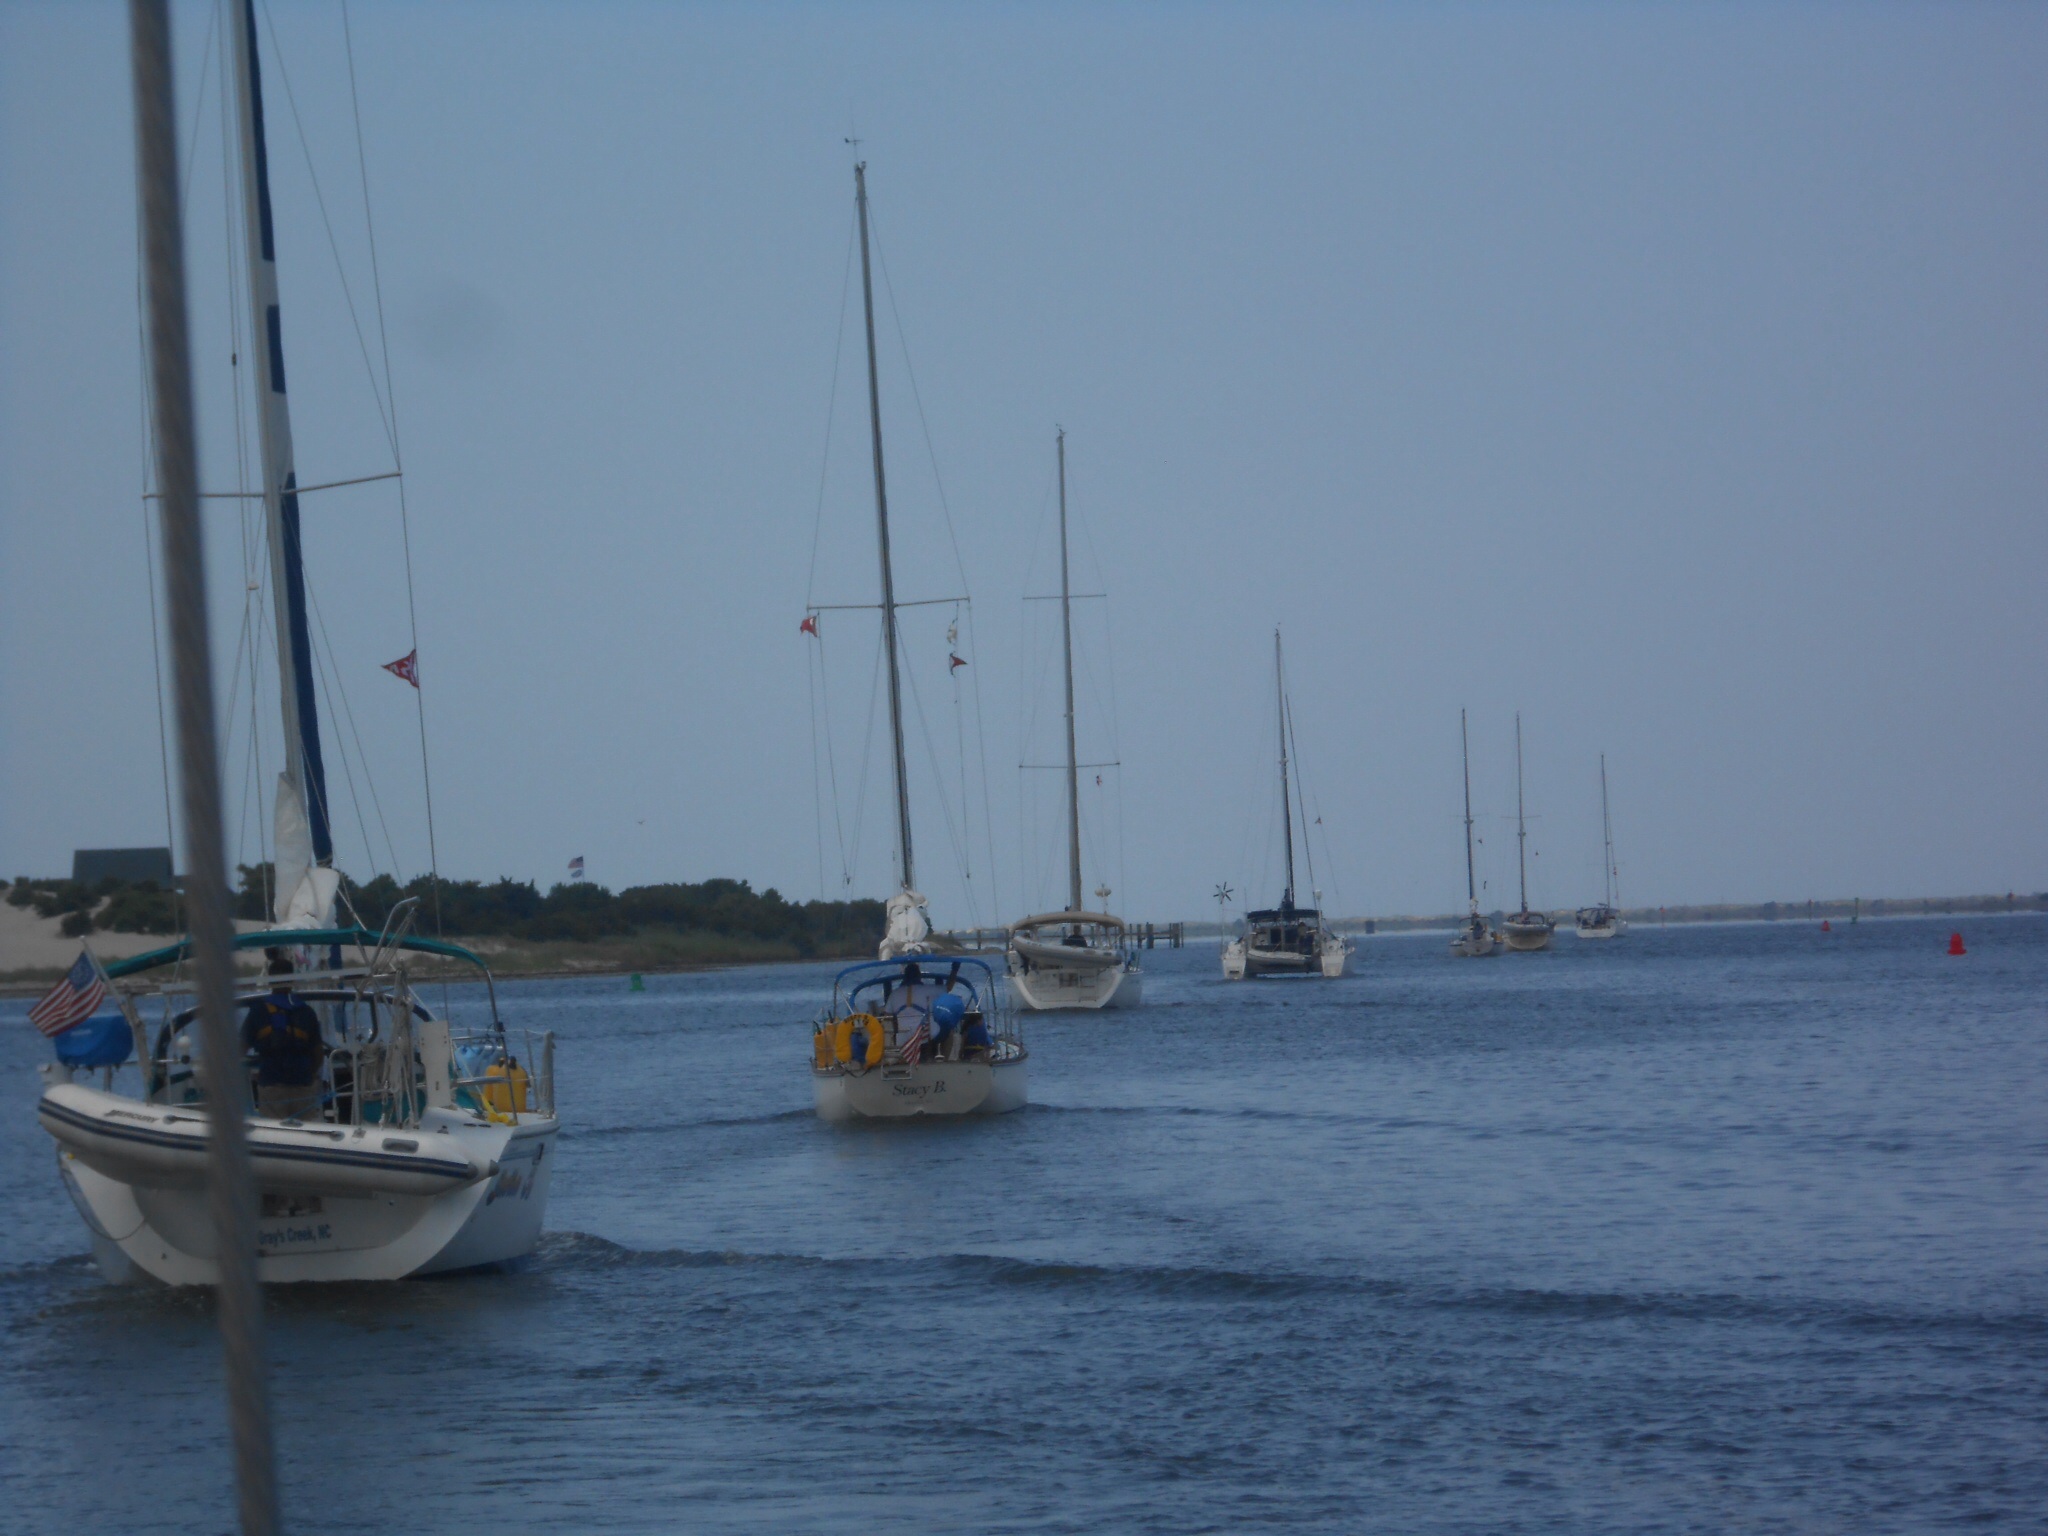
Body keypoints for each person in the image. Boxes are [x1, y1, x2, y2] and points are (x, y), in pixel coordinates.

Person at [242, 950, 325, 1121]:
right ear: (292, 980)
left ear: (269, 980)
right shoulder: (306, 1012)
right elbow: (318, 1055)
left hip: (272, 1083)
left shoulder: (258, 1011)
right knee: (306, 1132)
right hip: (302, 1084)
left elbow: (240, 1049)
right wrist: (309, 1075)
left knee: (275, 1133)